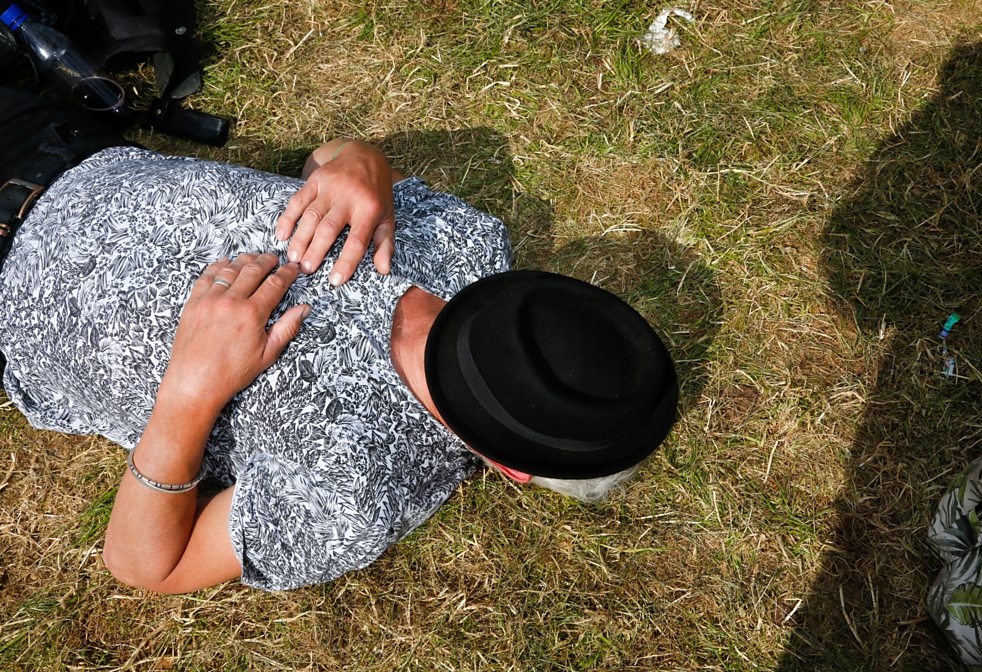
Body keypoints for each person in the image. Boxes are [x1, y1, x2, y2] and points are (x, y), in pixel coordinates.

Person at [0, 87, 679, 594]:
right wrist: (360, 160)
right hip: (61, 148)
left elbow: (148, 564)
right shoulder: (470, 245)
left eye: (499, 369)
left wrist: (189, 391)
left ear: (511, 467)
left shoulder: (358, 494)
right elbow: (323, 164)